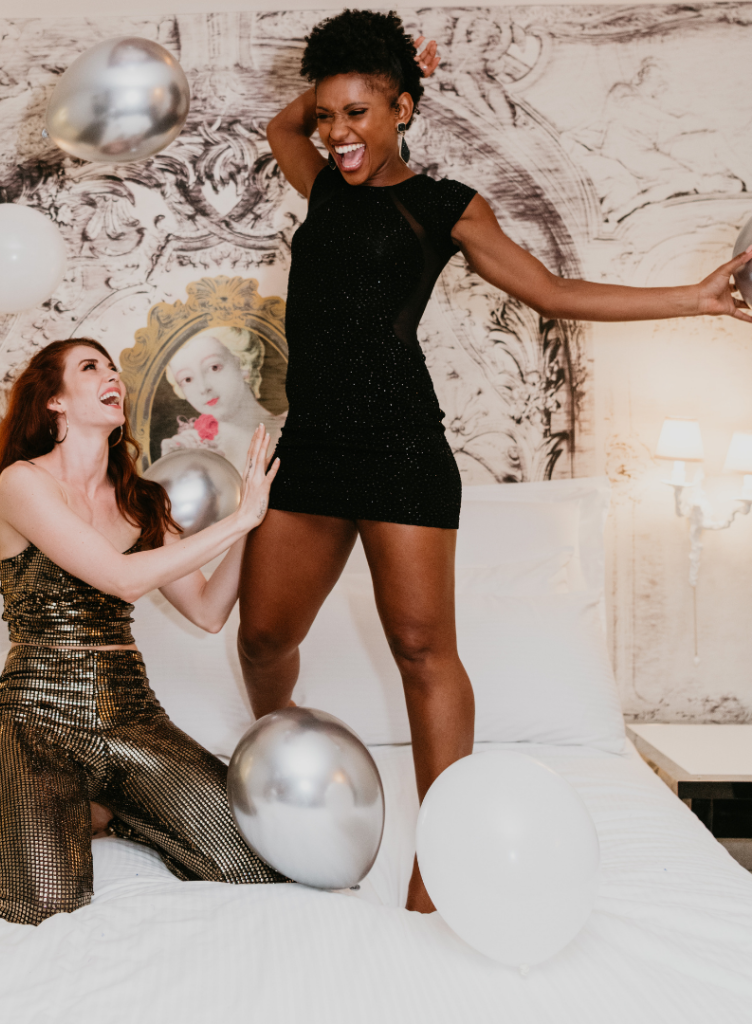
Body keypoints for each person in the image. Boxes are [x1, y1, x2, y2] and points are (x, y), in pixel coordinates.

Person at [236, 9, 752, 916]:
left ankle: (442, 855)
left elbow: (551, 292)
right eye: (329, 114)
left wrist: (696, 297)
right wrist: (382, 71)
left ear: (403, 110)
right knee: (265, 637)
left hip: (401, 449)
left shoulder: (444, 205)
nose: (335, 133)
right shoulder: (318, 178)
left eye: (359, 112)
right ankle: (277, 772)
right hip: (313, 448)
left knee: (424, 650)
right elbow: (282, 124)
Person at [0, 338, 284, 925]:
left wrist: (254, 526)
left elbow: (210, 610)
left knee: (253, 864)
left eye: (115, 368)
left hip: (130, 712)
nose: (114, 376)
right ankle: (4, 808)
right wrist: (240, 518)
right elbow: (121, 579)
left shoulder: (141, 503)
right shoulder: (22, 484)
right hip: (35, 717)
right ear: (55, 400)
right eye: (91, 368)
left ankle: (106, 806)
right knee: (46, 907)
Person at [161, 325, 287, 473]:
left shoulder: (293, 427)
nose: (203, 388)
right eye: (187, 379)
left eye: (214, 367)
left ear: (242, 363)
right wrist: (174, 471)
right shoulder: (191, 448)